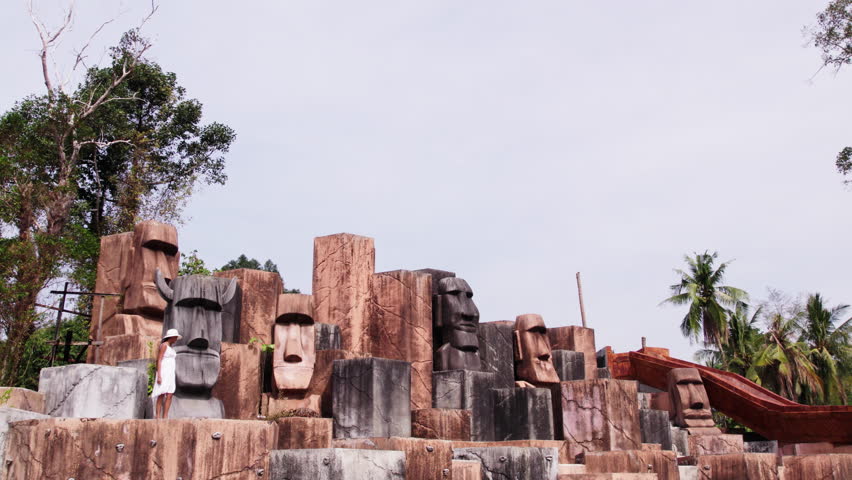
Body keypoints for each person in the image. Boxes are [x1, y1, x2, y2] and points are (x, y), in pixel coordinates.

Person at [152, 328, 180, 419]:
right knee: (161, 393)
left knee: (170, 394)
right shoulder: (164, 345)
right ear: (171, 337)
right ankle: (157, 415)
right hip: (164, 371)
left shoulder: (171, 348)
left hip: (170, 373)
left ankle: (165, 415)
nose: (176, 339)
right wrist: (159, 375)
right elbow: (159, 360)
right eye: (175, 337)